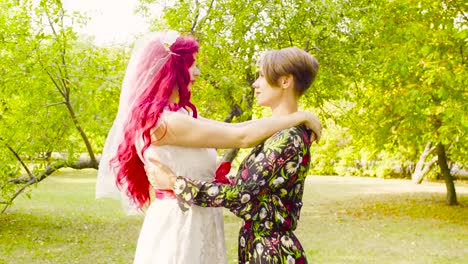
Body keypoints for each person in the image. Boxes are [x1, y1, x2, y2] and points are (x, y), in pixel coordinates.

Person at [96, 31, 322, 264]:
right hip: (181, 222)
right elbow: (242, 136)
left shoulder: (180, 114)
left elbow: (243, 127)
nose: (197, 72)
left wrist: (297, 117)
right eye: (191, 65)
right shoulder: (166, 123)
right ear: (172, 69)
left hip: (200, 217)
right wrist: (300, 116)